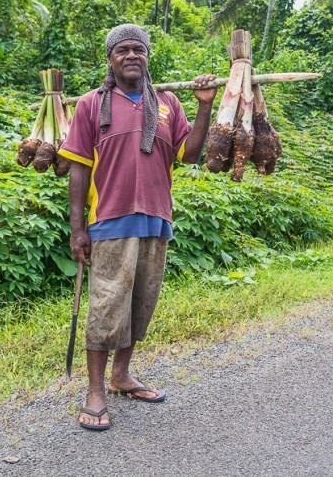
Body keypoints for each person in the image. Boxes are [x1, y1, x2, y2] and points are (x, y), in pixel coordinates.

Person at [57, 23, 217, 431]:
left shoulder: (167, 103)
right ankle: (95, 391)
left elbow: (190, 154)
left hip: (156, 219)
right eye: (122, 50)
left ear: (148, 57)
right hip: (109, 221)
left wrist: (202, 105)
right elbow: (78, 168)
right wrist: (78, 229)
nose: (131, 55)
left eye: (138, 50)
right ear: (110, 59)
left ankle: (121, 375)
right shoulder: (93, 104)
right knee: (107, 307)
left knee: (139, 304)